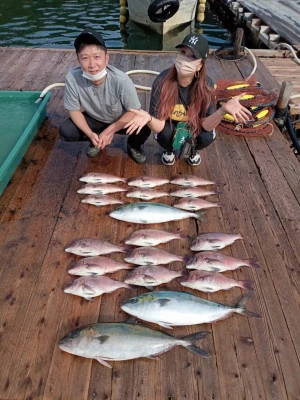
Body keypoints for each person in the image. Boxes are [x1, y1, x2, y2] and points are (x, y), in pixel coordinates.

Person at [126, 33, 252, 166]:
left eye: (192, 57)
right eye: (183, 52)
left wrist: (223, 110)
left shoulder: (207, 85)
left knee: (206, 136)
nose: (185, 59)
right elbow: (159, 126)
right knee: (164, 134)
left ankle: (193, 150)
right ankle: (168, 150)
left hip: (194, 124)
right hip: (169, 124)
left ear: (200, 66)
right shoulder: (161, 82)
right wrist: (149, 118)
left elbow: (206, 125)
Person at [59, 29, 151, 163]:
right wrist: (90, 134)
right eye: (85, 58)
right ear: (78, 60)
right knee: (66, 130)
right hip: (93, 119)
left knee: (144, 125)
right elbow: (73, 110)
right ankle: (95, 140)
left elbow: (133, 112)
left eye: (97, 57)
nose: (92, 64)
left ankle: (134, 145)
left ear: (106, 58)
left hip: (119, 120)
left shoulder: (121, 80)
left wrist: (110, 130)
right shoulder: (72, 77)